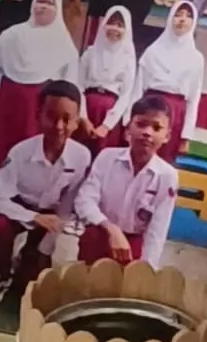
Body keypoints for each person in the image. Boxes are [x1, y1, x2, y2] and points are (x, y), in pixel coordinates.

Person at [0, 81, 89, 307]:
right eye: (51, 116)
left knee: (29, 283)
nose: (59, 126)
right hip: (19, 207)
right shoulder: (20, 153)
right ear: (38, 116)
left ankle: (27, 258)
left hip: (50, 216)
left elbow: (66, 205)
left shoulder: (81, 156)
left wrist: (45, 247)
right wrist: (33, 217)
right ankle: (3, 273)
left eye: (67, 119)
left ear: (77, 122)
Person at [0, 0, 79, 198]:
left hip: (40, 105)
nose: (44, 6)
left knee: (31, 149)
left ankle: (22, 198)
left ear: (58, 8)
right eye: (40, 1)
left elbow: (69, 82)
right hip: (8, 100)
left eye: (49, 3)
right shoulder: (12, 34)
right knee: (1, 145)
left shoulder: (63, 43)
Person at [73, 95, 178, 268]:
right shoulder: (107, 157)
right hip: (101, 233)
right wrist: (111, 228)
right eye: (141, 124)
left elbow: (157, 230)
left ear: (167, 136)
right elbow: (84, 201)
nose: (147, 132)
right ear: (128, 129)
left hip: (132, 246)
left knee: (129, 280)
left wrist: (147, 270)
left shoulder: (167, 175)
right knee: (88, 275)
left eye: (156, 127)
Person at [131, 0, 205, 163]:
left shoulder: (196, 58)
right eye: (178, 15)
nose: (182, 20)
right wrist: (130, 122)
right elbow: (137, 89)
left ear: (193, 22)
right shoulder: (152, 51)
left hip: (175, 114)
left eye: (188, 16)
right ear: (170, 18)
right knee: (140, 156)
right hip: (149, 108)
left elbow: (193, 99)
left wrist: (186, 135)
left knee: (164, 163)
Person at [76, 4, 137, 154]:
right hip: (86, 109)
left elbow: (126, 95)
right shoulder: (90, 53)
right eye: (111, 23)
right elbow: (78, 85)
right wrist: (83, 118)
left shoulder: (128, 59)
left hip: (110, 113)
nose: (114, 29)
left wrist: (106, 125)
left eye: (120, 25)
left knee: (103, 156)